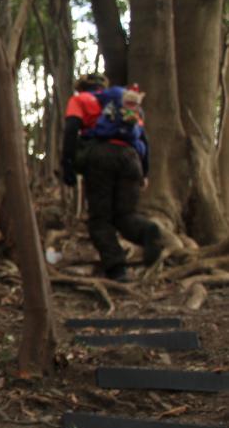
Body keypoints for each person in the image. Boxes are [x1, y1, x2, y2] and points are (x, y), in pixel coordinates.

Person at [61, 75, 163, 281]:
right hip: (130, 157)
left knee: (100, 219)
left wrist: (68, 164)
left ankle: (117, 268)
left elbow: (71, 129)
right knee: (125, 216)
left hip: (100, 158)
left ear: (81, 88)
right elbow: (144, 139)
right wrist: (145, 172)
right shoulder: (126, 101)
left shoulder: (81, 100)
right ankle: (147, 231)